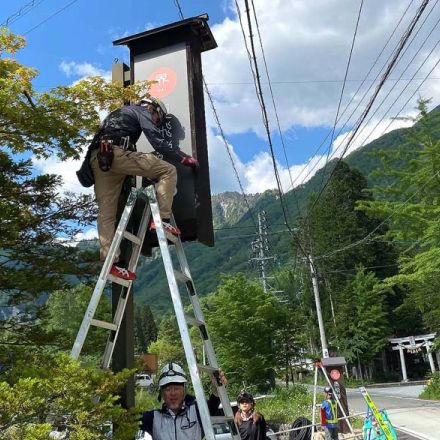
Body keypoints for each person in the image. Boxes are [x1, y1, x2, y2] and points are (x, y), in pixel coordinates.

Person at [85, 97, 198, 281]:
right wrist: (182, 158)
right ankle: (163, 219)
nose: (156, 121)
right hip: (117, 154)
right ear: (153, 109)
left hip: (99, 159)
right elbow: (157, 142)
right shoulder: (142, 111)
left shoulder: (115, 116)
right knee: (168, 170)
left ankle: (111, 263)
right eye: (158, 118)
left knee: (106, 212)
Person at [140, 362, 225, 440]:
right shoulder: (153, 418)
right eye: (168, 389)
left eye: (177, 388)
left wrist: (217, 389)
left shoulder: (196, 411)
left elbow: (212, 406)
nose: (173, 393)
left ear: (184, 390)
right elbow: (129, 420)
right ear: (161, 393)